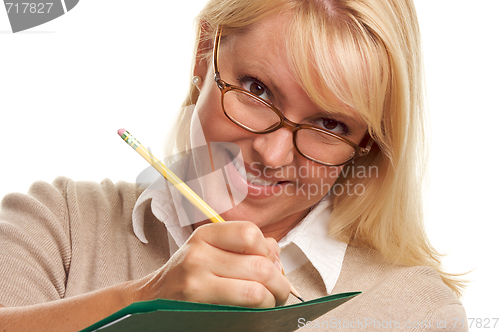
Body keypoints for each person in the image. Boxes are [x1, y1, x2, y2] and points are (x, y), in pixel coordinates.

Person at [0, 0, 468, 331]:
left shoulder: (417, 313)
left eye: (330, 124)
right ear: (206, 53)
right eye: (258, 89)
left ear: (366, 142)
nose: (274, 155)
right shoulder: (59, 226)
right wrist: (140, 304)